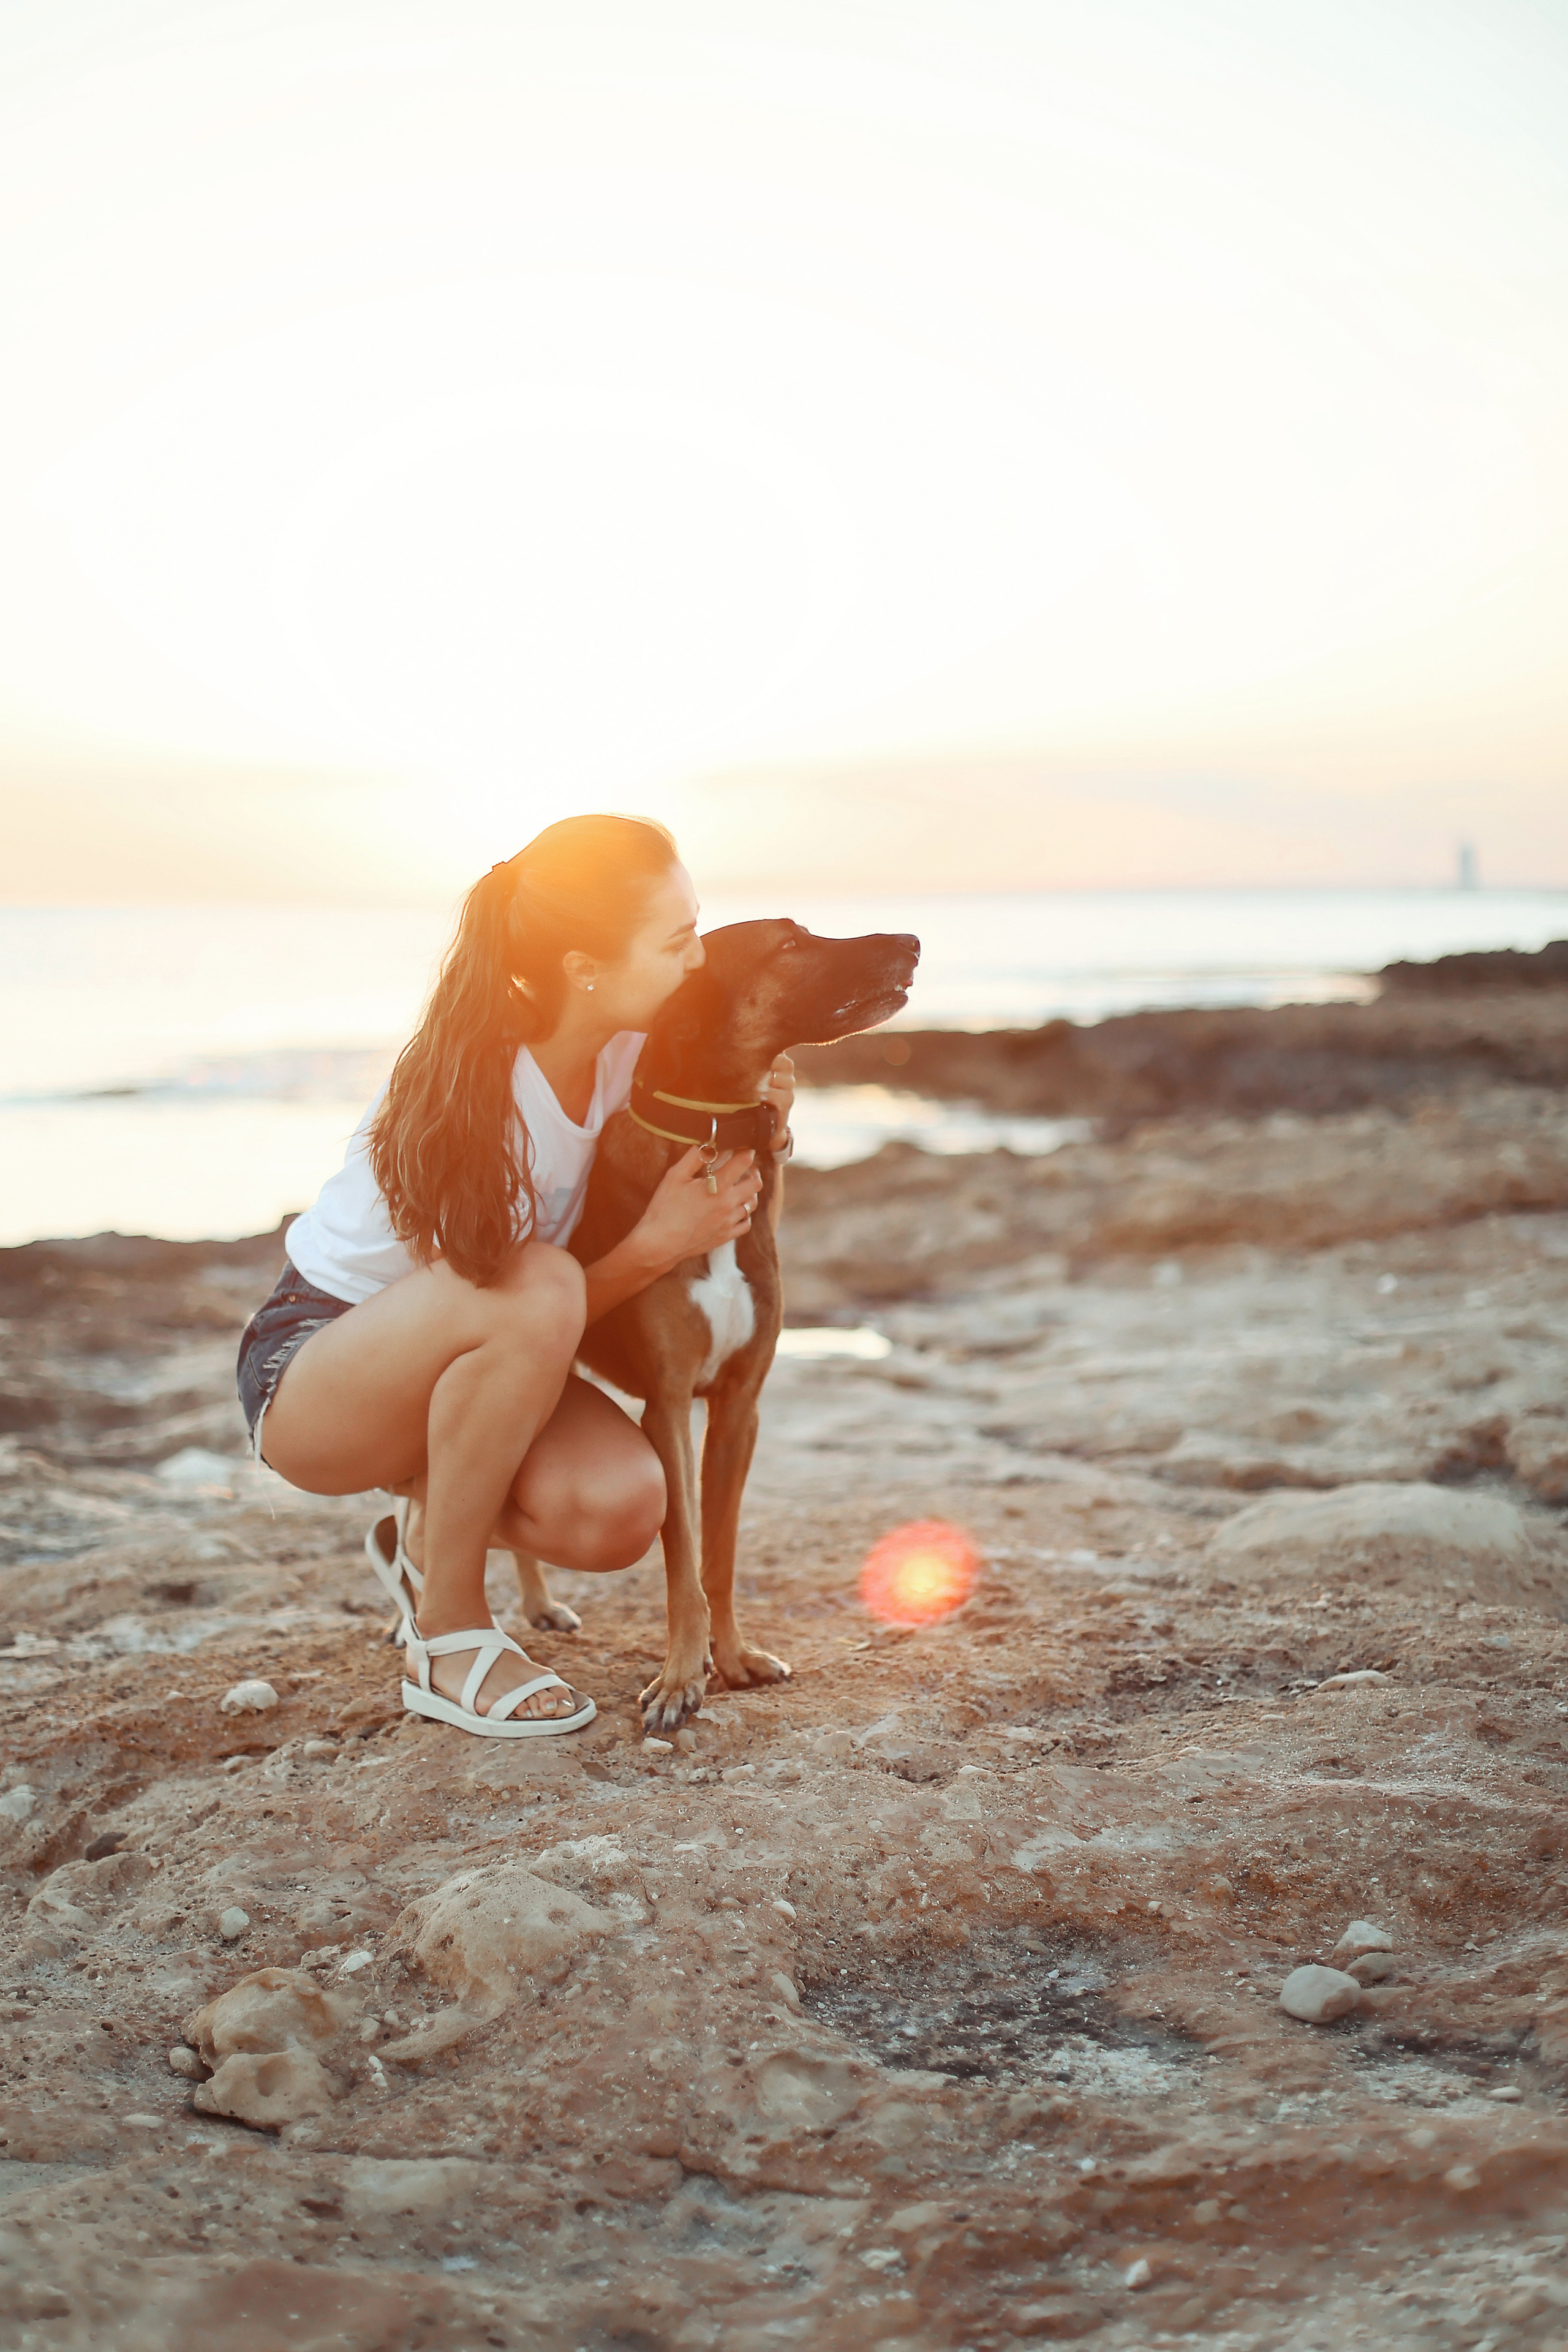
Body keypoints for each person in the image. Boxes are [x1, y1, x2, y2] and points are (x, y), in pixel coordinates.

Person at [234, 815, 793, 1738]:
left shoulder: (631, 1061)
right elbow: (527, 1302)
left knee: (621, 1509)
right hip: (320, 1369)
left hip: (481, 1372)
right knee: (536, 1279)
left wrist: (760, 1117)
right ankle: (448, 1638)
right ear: (585, 967)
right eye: (675, 941)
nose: (698, 963)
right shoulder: (478, 1089)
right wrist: (655, 1247)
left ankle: (426, 1524)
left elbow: (575, 1299)